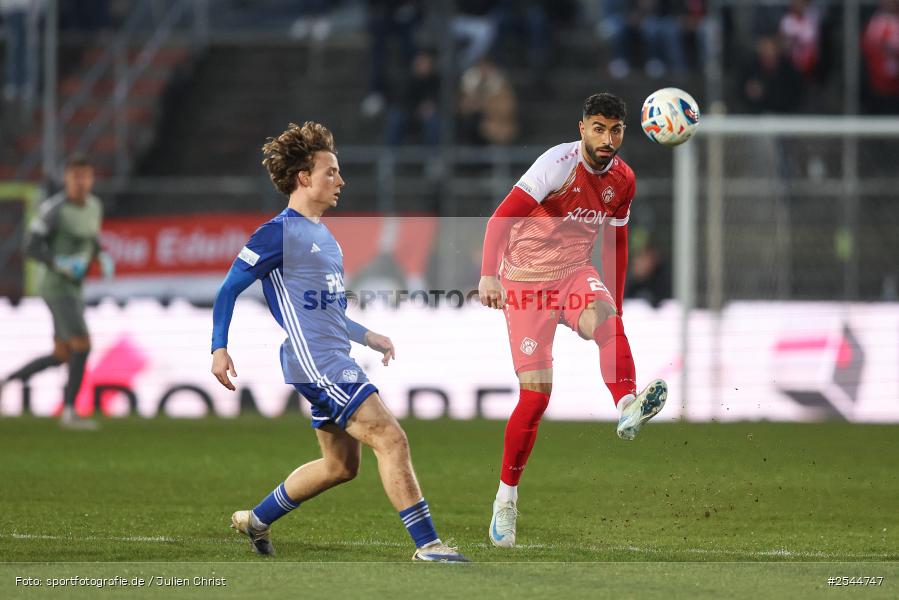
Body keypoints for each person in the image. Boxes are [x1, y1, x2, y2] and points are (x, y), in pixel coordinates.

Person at [210, 121, 467, 562]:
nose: (340, 180)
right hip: (316, 361)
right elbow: (228, 289)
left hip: (332, 355)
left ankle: (256, 519)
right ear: (303, 178)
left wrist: (366, 336)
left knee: (341, 466)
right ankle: (428, 545)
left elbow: (325, 310)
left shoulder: (324, 237)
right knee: (391, 437)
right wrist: (219, 348)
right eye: (330, 172)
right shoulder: (277, 233)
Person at [478, 93, 667, 548]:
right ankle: (506, 498)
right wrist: (488, 274)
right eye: (598, 128)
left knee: (607, 323)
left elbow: (617, 242)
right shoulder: (556, 165)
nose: (607, 139)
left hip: (573, 275)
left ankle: (627, 406)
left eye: (615, 130)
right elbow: (500, 220)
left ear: (624, 132)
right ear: (582, 128)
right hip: (525, 283)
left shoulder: (623, 180)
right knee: (536, 398)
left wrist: (616, 300)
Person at [0, 154, 114, 428]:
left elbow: (91, 238)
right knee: (83, 345)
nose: (80, 182)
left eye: (85, 176)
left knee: (62, 353)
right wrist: (58, 264)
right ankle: (70, 412)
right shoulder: (54, 209)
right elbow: (31, 247)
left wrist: (100, 255)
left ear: (91, 179)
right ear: (66, 179)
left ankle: (6, 382)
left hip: (75, 287)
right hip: (56, 287)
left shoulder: (95, 206)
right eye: (75, 176)